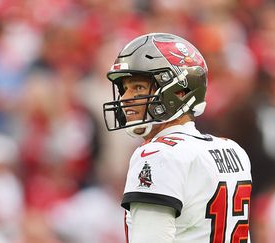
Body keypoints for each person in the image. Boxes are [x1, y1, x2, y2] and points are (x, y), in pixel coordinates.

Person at [102, 33, 252, 242]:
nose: (125, 99)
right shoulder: (233, 150)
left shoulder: (158, 154)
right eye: (125, 89)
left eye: (138, 88)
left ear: (180, 91)